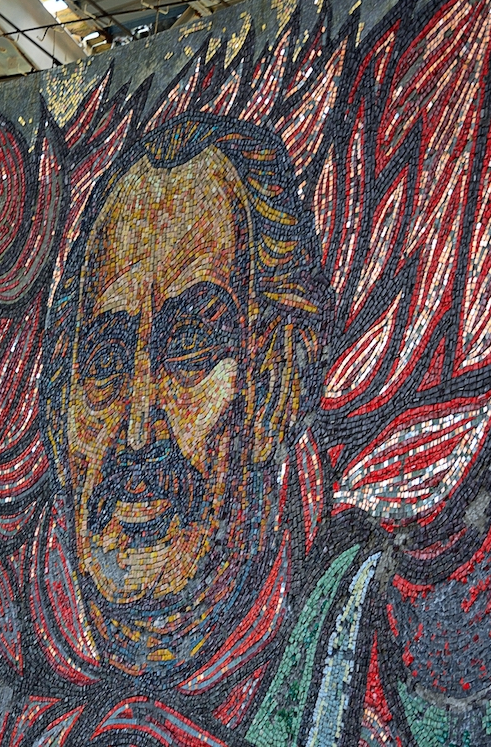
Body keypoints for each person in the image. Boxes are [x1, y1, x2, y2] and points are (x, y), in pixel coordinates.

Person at [37, 112, 327, 683]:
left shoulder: (345, 642)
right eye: (104, 364)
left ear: (272, 385)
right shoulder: (13, 684)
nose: (140, 429)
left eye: (191, 349)